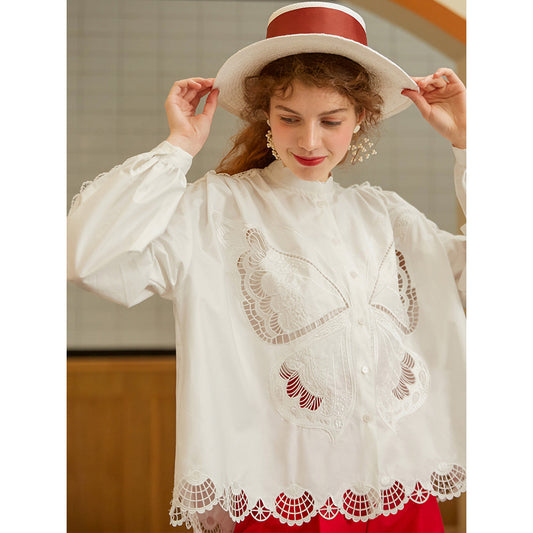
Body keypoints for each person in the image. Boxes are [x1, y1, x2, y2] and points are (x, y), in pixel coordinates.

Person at [67, 2, 466, 532]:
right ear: (266, 117)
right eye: (289, 118)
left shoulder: (387, 217)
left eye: (331, 121)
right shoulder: (215, 209)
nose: (309, 141)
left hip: (402, 493)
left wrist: (468, 144)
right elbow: (85, 256)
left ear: (361, 119)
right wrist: (178, 147)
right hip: (285, 498)